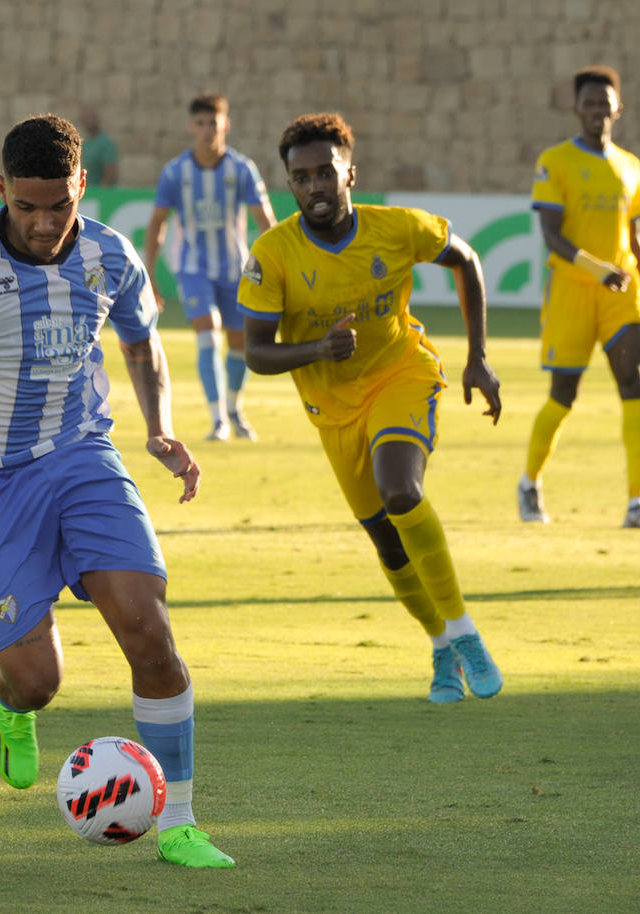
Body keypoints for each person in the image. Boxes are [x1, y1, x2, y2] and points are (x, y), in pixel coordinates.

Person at [0, 114, 234, 868]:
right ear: (2, 190)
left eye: (59, 206)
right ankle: (9, 700)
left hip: (83, 458)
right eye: (26, 207)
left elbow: (141, 338)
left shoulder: (111, 255)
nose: (43, 224)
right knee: (39, 682)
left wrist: (161, 428)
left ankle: (181, 822)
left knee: (149, 629)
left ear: (82, 186)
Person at [238, 112, 505, 703]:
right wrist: (317, 349)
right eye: (301, 178)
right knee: (387, 541)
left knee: (400, 490)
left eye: (325, 173)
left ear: (349, 173)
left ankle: (463, 631)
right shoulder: (272, 253)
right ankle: (439, 647)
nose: (315, 188)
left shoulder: (397, 229)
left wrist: (477, 357)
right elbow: (255, 353)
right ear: (290, 185)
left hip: (400, 374)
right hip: (332, 410)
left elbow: (466, 261)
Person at [518, 65, 640, 529]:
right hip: (573, 292)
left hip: (623, 295)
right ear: (576, 108)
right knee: (564, 394)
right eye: (589, 103)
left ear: (617, 109)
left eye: (605, 103)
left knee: (634, 383)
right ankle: (529, 483)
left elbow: (635, 237)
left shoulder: (630, 166)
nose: (597, 111)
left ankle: (636, 504)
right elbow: (551, 235)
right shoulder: (555, 161)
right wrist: (595, 270)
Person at [144, 93, 276, 442]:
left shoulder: (242, 169)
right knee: (208, 330)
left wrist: (275, 268)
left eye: (213, 123)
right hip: (192, 267)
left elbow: (266, 222)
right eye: (200, 124)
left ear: (225, 125)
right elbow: (157, 224)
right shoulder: (176, 172)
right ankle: (217, 419)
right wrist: (152, 275)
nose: (207, 130)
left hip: (234, 268)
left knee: (239, 344)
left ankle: (233, 408)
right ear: (192, 126)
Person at [79, 106, 119, 187]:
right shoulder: (85, 143)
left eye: (92, 118)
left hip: (103, 193)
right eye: (87, 118)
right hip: (89, 191)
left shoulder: (105, 143)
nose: (90, 121)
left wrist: (101, 192)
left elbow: (111, 172)